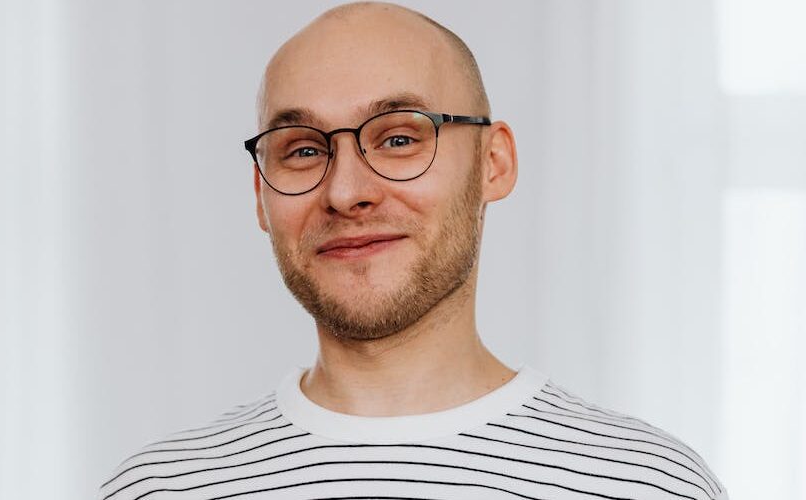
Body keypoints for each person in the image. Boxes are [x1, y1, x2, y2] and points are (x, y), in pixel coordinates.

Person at [100, 2, 728, 499]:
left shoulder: (647, 486)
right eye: (303, 150)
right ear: (261, 196)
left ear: (494, 163)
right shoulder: (158, 489)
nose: (345, 192)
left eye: (398, 138)